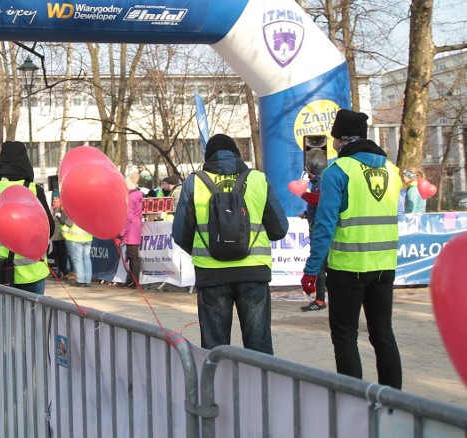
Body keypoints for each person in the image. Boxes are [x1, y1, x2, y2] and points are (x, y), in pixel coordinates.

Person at [301, 109, 403, 388]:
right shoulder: (392, 171)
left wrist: (312, 270)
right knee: (383, 333)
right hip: (384, 265)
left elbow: (324, 227)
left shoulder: (339, 170)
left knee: (345, 336)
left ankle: (353, 400)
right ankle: (396, 400)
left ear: (339, 140)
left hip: (348, 268)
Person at [171, 134, 288, 354]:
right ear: (237, 154)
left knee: (215, 349)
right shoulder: (258, 179)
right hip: (253, 271)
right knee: (258, 347)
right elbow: (279, 229)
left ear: (208, 157)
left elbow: (180, 233)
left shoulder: (194, 182)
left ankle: (218, 388)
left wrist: (206, 249)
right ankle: (260, 388)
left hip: (211, 274)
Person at [0, 141, 54, 294]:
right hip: (31, 272)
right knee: (33, 317)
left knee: (2, 317)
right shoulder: (33, 190)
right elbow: (49, 229)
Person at [299, 155, 328, 312]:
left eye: (307, 171)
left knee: (321, 266)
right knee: (325, 265)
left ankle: (320, 300)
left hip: (320, 230)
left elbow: (323, 201)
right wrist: (306, 213)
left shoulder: (320, 183)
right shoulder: (321, 181)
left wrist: (304, 195)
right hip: (318, 227)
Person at [118, 173, 144, 288]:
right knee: (132, 255)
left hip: (131, 229)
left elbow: (128, 216)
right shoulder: (137, 195)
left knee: (133, 256)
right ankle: (131, 279)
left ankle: (134, 281)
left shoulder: (131, 197)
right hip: (135, 227)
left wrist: (121, 233)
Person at [58, 206, 93, 287]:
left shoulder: (73, 207)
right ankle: (87, 280)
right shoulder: (89, 208)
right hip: (88, 237)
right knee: (87, 259)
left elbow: (68, 223)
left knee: (78, 260)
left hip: (76, 237)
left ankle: (80, 280)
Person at [49, 193, 72, 279]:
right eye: (53, 200)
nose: (54, 202)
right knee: (57, 256)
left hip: (62, 236)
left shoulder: (62, 210)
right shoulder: (51, 210)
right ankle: (60, 271)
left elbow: (64, 221)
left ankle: (65, 271)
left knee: (63, 255)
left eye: (56, 200)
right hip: (54, 237)